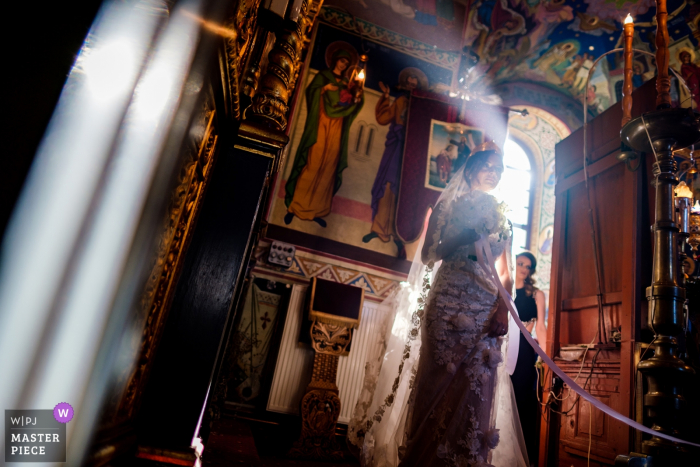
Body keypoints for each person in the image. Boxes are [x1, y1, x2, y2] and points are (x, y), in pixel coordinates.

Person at [349, 142, 528, 467]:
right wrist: (464, 235)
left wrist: (503, 309)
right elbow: (431, 254)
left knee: (475, 389)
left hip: (486, 310)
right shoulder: (450, 205)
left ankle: (465, 459)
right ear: (472, 169)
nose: (494, 172)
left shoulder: (505, 217)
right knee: (437, 383)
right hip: (447, 304)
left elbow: (506, 274)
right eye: (489, 165)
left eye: (499, 169)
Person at [284, 44, 364, 227]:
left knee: (328, 167)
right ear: (335, 59)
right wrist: (324, 89)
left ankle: (318, 211)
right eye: (342, 61)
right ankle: (294, 207)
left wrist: (357, 95)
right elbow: (311, 92)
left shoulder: (346, 84)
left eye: (346, 63)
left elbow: (354, 103)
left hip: (337, 128)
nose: (343, 65)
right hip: (321, 124)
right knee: (313, 162)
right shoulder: (323, 77)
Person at [362, 68, 428, 258]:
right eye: (409, 84)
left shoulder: (422, 108)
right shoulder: (400, 101)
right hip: (395, 149)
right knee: (386, 186)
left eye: (415, 85)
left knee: (403, 191)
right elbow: (383, 118)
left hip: (412, 155)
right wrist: (385, 96)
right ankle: (379, 228)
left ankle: (398, 234)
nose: (411, 87)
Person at [511, 251, 547, 466]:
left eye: (528, 266)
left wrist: (545, 356)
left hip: (524, 350)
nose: (524, 268)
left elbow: (540, 327)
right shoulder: (502, 287)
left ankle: (524, 453)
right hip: (501, 347)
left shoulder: (536, 294)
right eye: (520, 263)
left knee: (522, 397)